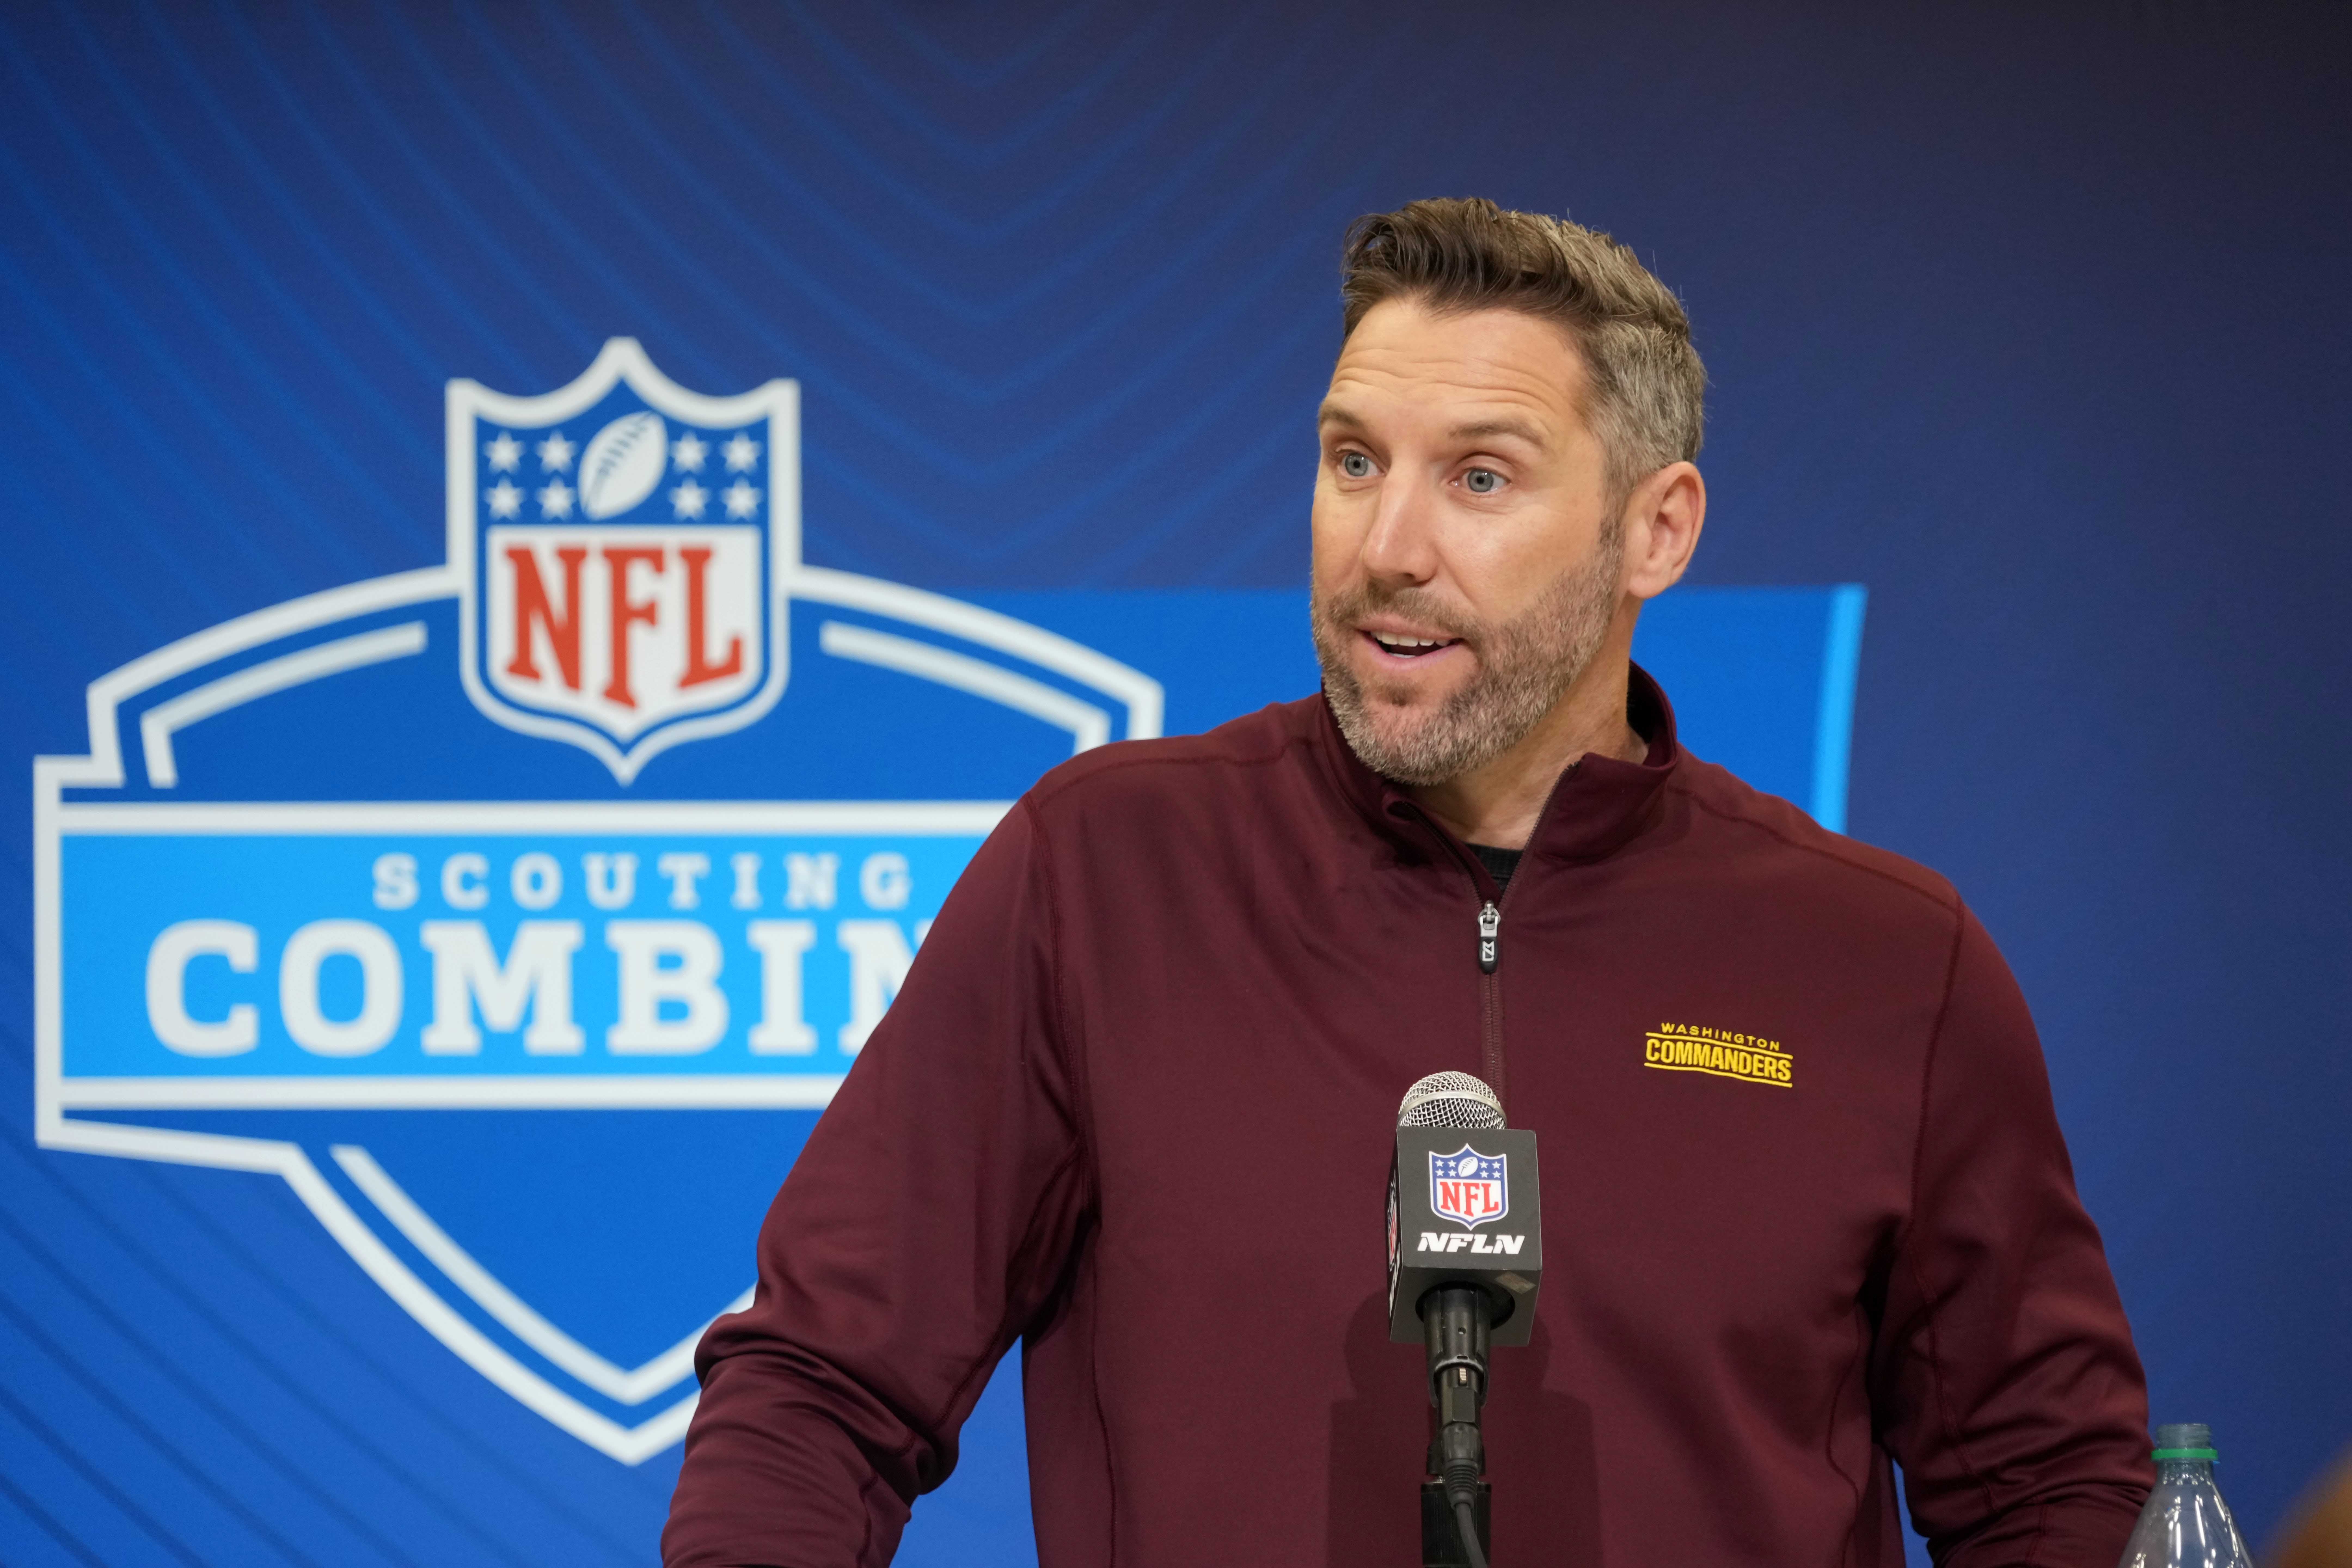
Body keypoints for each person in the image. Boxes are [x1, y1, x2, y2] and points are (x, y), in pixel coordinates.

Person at [663, 197, 2152, 1567]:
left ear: (1658, 528)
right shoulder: (1104, 873)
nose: (1388, 547)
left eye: (1481, 478)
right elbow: (818, 1387)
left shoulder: (1885, 961)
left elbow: (2049, 1485)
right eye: (1352, 461)